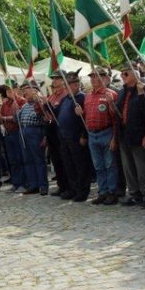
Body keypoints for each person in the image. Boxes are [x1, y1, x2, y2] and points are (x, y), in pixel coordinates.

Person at [116, 62, 145, 208]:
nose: (122, 76)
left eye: (125, 73)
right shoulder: (122, 92)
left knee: (142, 167)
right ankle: (134, 194)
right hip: (125, 134)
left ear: (135, 74)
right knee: (129, 167)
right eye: (121, 73)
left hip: (140, 133)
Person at [78, 68, 120, 205]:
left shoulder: (111, 94)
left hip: (106, 132)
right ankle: (102, 192)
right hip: (92, 134)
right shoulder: (88, 96)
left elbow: (116, 118)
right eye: (92, 77)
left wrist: (114, 137)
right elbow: (87, 116)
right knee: (98, 166)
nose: (93, 79)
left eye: (96, 77)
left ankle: (112, 192)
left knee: (110, 165)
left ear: (105, 78)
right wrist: (80, 112)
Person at [55, 70, 93, 201]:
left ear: (76, 85)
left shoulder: (82, 98)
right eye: (66, 84)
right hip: (64, 137)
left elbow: (87, 118)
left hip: (76, 137)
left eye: (70, 84)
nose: (67, 87)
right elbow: (57, 114)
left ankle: (82, 191)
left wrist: (84, 135)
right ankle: (73, 189)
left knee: (80, 165)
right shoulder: (65, 99)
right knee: (69, 165)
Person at [17, 81, 48, 195]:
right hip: (24, 132)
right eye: (24, 89)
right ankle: (33, 184)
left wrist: (45, 136)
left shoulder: (39, 104)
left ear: (34, 91)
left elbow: (46, 119)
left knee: (39, 160)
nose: (24, 91)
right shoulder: (24, 105)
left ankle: (43, 185)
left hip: (35, 132)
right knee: (28, 160)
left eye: (27, 89)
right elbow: (17, 120)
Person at [0, 82, 26, 193]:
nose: (9, 91)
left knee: (20, 159)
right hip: (8, 133)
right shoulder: (5, 103)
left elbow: (17, 118)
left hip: (18, 132)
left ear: (16, 90)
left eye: (11, 89)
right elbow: (2, 118)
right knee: (12, 160)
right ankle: (16, 183)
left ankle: (23, 183)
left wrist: (3, 118)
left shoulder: (21, 101)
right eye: (7, 89)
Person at [45, 71, 70, 197]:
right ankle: (61, 186)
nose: (54, 81)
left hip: (61, 130)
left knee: (64, 160)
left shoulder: (65, 95)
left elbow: (58, 113)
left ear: (63, 80)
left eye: (57, 78)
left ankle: (68, 186)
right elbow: (48, 115)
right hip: (51, 130)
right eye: (53, 78)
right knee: (56, 160)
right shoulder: (52, 96)